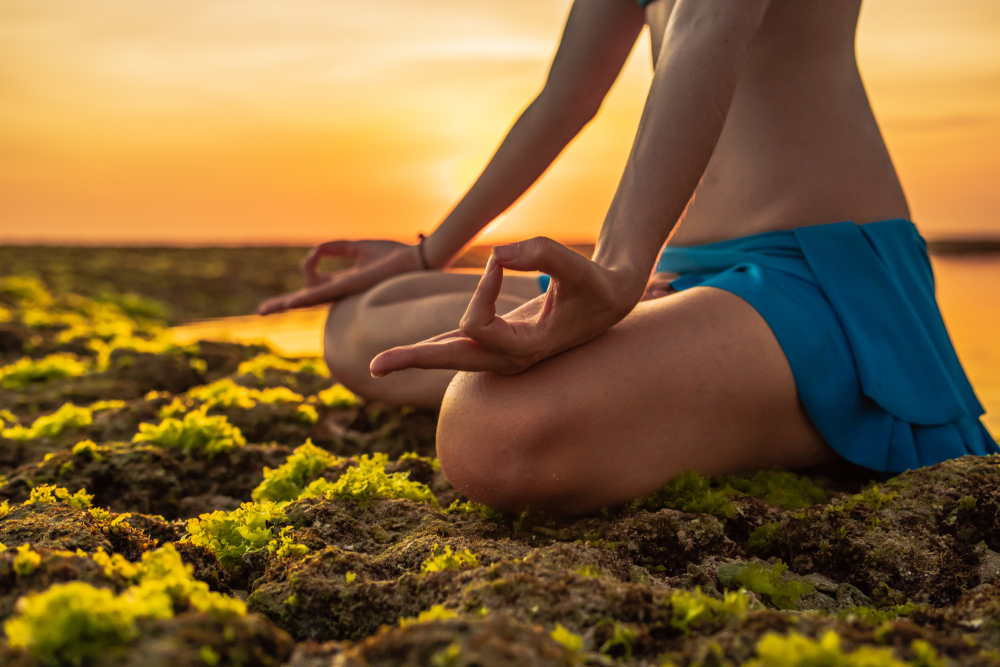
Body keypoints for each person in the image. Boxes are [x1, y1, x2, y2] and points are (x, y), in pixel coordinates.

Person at [258, 0, 998, 514]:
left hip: (817, 279)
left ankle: (782, 409)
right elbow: (565, 97)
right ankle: (674, 363)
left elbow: (709, 24)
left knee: (490, 433)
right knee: (357, 324)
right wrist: (428, 253)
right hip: (682, 272)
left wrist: (617, 267)